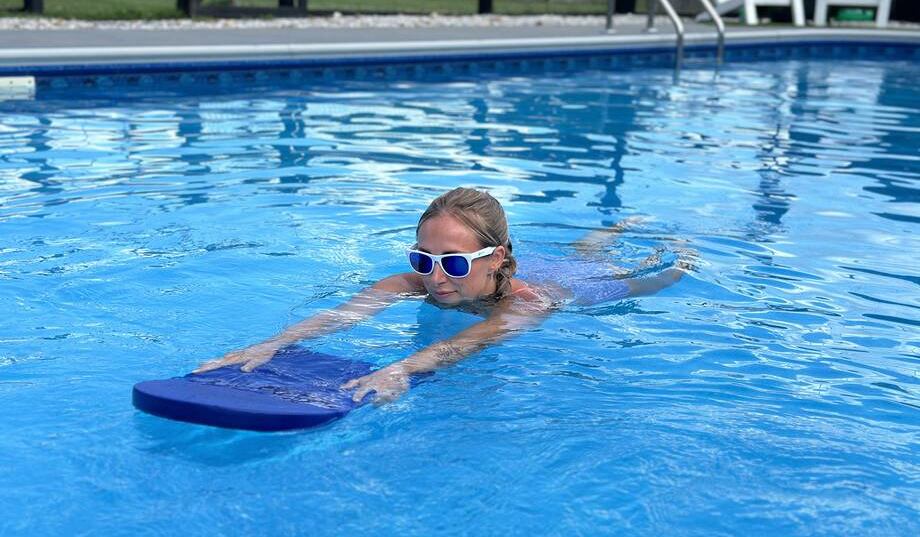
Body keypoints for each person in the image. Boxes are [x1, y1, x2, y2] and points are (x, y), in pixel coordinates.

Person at [194, 187, 688, 403]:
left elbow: (470, 341)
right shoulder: (414, 283)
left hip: (579, 287)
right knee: (580, 250)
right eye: (422, 259)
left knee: (633, 274)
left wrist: (402, 368)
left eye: (452, 263)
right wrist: (273, 344)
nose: (435, 277)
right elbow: (341, 316)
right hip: (526, 267)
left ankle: (640, 239)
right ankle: (612, 231)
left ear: (495, 257)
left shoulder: (529, 303)